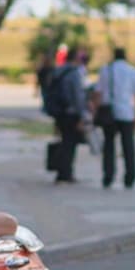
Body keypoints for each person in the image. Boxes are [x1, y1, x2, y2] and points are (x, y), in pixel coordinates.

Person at [94, 45, 135, 188]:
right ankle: (130, 176)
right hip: (126, 113)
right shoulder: (132, 71)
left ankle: (108, 175)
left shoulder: (106, 70)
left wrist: (94, 112)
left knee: (109, 145)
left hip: (109, 112)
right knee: (128, 146)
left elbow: (98, 93)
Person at [48, 47, 89, 184]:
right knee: (69, 143)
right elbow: (77, 96)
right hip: (71, 113)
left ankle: (61, 170)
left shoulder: (58, 70)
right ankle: (66, 172)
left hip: (59, 111)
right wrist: (83, 115)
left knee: (63, 141)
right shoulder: (74, 73)